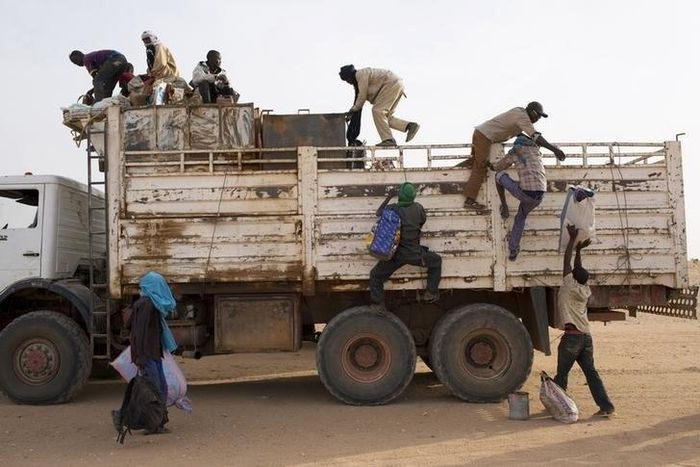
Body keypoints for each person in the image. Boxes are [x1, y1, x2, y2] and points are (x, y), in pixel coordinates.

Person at [554, 225, 616, 418]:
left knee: (562, 375)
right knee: (591, 373)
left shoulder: (568, 285)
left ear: (573, 276)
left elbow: (566, 260)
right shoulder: (584, 289)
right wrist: (580, 250)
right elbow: (577, 268)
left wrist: (572, 240)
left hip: (572, 339)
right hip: (586, 338)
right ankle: (607, 407)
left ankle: (559, 406)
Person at [462, 102, 566, 211]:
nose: (539, 119)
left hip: (482, 134)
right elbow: (535, 136)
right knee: (480, 166)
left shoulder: (519, 113)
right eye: (538, 116)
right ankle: (469, 201)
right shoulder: (522, 117)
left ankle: (450, 171)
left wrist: (532, 141)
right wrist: (555, 150)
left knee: (475, 161)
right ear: (533, 112)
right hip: (484, 136)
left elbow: (521, 134)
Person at [122, 271, 179, 433]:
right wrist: (140, 358)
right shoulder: (147, 305)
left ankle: (158, 422)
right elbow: (139, 334)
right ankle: (153, 425)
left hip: (153, 354)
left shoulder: (152, 304)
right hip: (147, 355)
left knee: (159, 387)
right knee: (153, 389)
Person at [369, 182, 441, 305]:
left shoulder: (393, 209)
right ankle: (431, 292)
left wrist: (390, 196)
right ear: (412, 196)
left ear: (400, 195)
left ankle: (378, 305)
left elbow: (378, 213)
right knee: (436, 261)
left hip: (395, 256)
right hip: (416, 254)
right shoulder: (418, 208)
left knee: (375, 276)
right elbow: (422, 221)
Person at [491, 134, 547, 260]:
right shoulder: (536, 151)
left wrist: (491, 166)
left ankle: (504, 205)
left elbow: (499, 166)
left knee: (499, 175)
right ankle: (513, 249)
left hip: (526, 193)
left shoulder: (516, 150)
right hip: (539, 195)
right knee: (521, 216)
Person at [339, 65, 420, 146]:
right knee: (384, 119)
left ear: (349, 77)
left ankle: (388, 140)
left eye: (347, 80)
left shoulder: (360, 75)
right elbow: (358, 100)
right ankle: (409, 126)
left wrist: (353, 110)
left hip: (390, 84)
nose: (348, 82)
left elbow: (361, 97)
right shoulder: (359, 80)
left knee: (377, 111)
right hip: (395, 84)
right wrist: (353, 112)